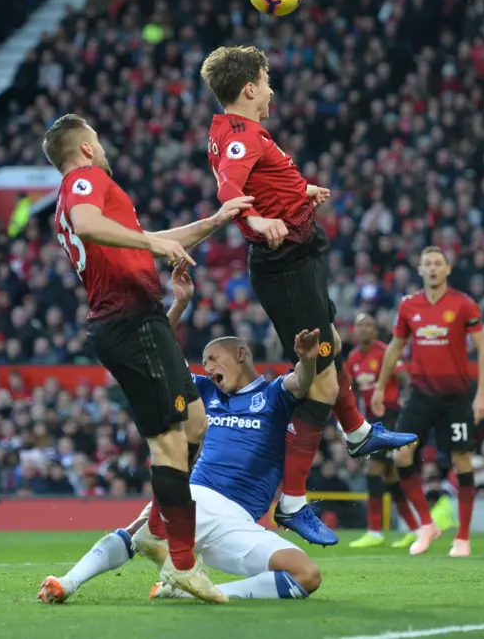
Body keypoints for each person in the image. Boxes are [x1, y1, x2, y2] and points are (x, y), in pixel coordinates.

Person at [200, 46, 416, 543]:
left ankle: (359, 432)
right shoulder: (241, 134)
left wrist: (300, 194)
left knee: (332, 347)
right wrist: (255, 219)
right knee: (318, 380)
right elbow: (229, 189)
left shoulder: (231, 131)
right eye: (267, 81)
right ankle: (294, 503)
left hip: (298, 255)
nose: (272, 90)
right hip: (286, 264)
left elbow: (255, 178)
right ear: (250, 88)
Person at [42, 113, 252, 603]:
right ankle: (182, 564)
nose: (103, 147)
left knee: (196, 425)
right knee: (170, 447)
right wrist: (153, 241)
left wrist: (215, 222)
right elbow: (88, 224)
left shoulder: (90, 189)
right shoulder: (83, 180)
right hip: (128, 320)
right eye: (98, 138)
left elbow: (139, 242)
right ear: (87, 148)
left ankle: (158, 527)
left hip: (144, 320)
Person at [38, 264, 328, 604]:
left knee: (308, 576)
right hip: (197, 496)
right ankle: (67, 583)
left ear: (240, 354)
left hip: (238, 523)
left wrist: (307, 360)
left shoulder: (275, 394)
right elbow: (160, 356)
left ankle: (199, 590)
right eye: (204, 363)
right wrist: (178, 306)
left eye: (213, 359)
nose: (207, 368)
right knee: (138, 533)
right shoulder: (206, 392)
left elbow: (302, 381)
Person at [372, 246, 484, 557]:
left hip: (456, 397)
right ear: (420, 270)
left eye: (438, 263)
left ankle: (463, 538)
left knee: (462, 461)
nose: (433, 268)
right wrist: (379, 387)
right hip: (421, 395)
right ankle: (427, 524)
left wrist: (481, 395)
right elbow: (395, 348)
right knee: (401, 457)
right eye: (427, 264)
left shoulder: (464, 304)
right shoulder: (409, 306)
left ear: (448, 269)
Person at [345, 314, 419, 550]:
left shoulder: (385, 351)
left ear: (376, 330)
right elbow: (350, 388)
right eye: (360, 325)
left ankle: (375, 531)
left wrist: (408, 399)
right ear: (355, 330)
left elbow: (405, 376)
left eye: (369, 325)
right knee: (390, 478)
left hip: (391, 417)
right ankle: (415, 529)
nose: (364, 329)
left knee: (373, 470)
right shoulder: (354, 357)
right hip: (371, 419)